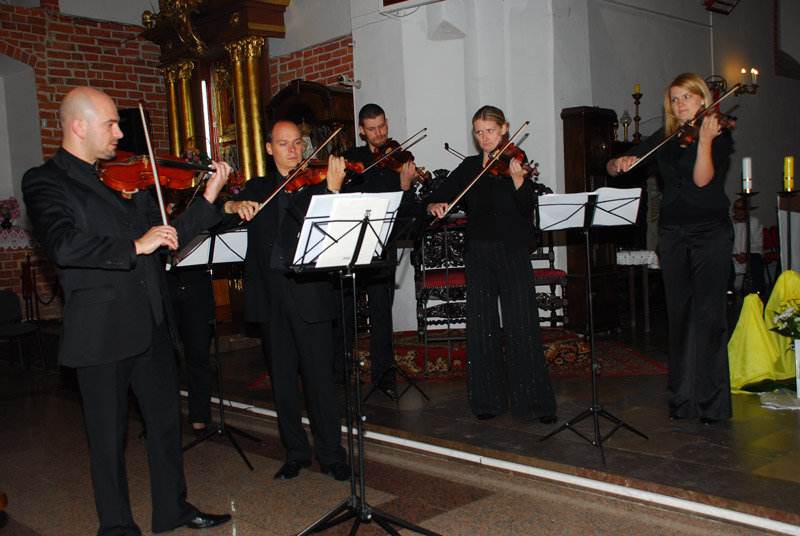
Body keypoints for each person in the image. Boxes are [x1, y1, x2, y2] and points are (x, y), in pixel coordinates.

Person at [21, 86, 232, 535]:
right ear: (78, 126)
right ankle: (117, 527)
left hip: (151, 322)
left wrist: (210, 196)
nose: (119, 133)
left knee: (165, 425)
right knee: (107, 439)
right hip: (101, 330)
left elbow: (167, 237)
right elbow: (62, 244)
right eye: (111, 124)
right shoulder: (44, 180)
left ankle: (171, 511)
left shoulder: (123, 179)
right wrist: (134, 245)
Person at [224, 121, 351, 481]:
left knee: (319, 380)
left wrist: (332, 190)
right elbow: (221, 212)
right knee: (282, 380)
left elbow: (335, 228)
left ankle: (331, 454)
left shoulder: (319, 185)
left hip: (310, 291)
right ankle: (296, 452)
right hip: (272, 293)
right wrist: (233, 204)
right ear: (269, 148)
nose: (294, 150)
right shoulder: (257, 188)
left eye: (298, 143)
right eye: (284, 144)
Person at [607, 72, 734, 424]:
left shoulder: (718, 131)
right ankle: (683, 401)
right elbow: (616, 165)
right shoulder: (666, 135)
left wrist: (704, 140)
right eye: (674, 99)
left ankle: (712, 404)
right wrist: (618, 163)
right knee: (679, 315)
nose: (680, 104)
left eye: (687, 97)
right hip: (672, 233)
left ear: (703, 98)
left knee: (709, 316)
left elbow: (702, 179)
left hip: (710, 232)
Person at [425, 105, 557, 425]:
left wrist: (519, 182)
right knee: (481, 327)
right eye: (479, 132)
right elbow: (440, 193)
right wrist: (435, 203)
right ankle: (488, 401)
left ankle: (535, 404)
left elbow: (526, 208)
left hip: (512, 250)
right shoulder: (470, 166)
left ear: (504, 129)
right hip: (478, 253)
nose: (485, 138)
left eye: (490, 131)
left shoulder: (515, 162)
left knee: (522, 325)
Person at [336, 104, 416, 396]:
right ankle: (341, 372)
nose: (379, 133)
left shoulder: (398, 158)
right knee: (345, 309)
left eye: (382, 126)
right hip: (352, 243)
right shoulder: (351, 159)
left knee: (382, 311)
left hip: (383, 243)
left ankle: (383, 375)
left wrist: (405, 186)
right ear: (361, 130)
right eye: (372, 129)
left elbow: (407, 211)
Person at [165, 264, 214, 436]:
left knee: (199, 355)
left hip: (197, 284)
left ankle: (199, 417)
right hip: (163, 285)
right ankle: (160, 420)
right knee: (162, 359)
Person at [728, 197, 765, 296]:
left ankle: (758, 291)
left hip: (750, 253)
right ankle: (729, 293)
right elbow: (725, 242)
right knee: (725, 263)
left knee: (756, 260)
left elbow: (757, 241)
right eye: (739, 208)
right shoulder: (728, 223)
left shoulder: (754, 222)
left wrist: (747, 254)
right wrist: (734, 254)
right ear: (734, 209)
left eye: (743, 209)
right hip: (732, 255)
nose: (741, 212)